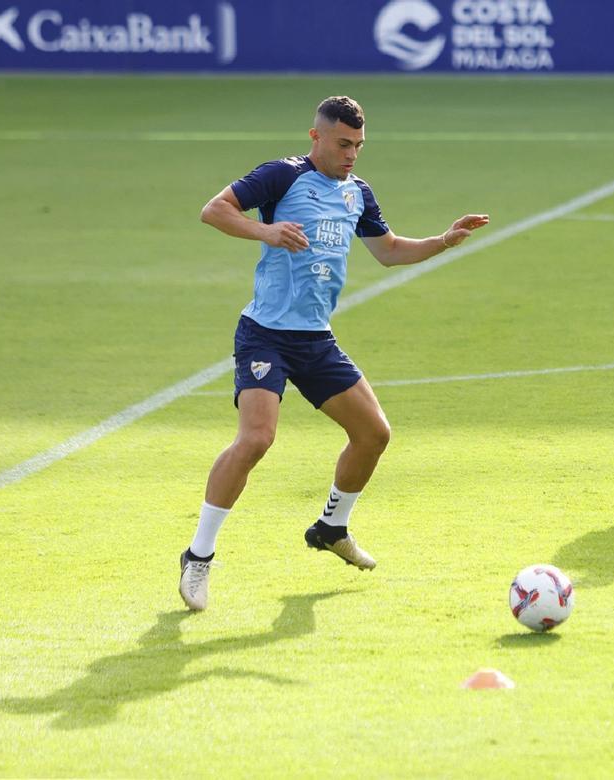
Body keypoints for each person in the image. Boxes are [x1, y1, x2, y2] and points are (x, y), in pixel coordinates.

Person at [178, 95, 489, 611]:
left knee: (373, 434)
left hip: (315, 339)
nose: (351, 155)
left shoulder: (357, 193)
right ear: (315, 137)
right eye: (343, 144)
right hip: (266, 333)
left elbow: (388, 250)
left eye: (359, 147)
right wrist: (266, 230)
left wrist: (442, 240)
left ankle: (331, 527)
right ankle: (198, 556)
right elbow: (215, 210)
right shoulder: (281, 176)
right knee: (257, 439)